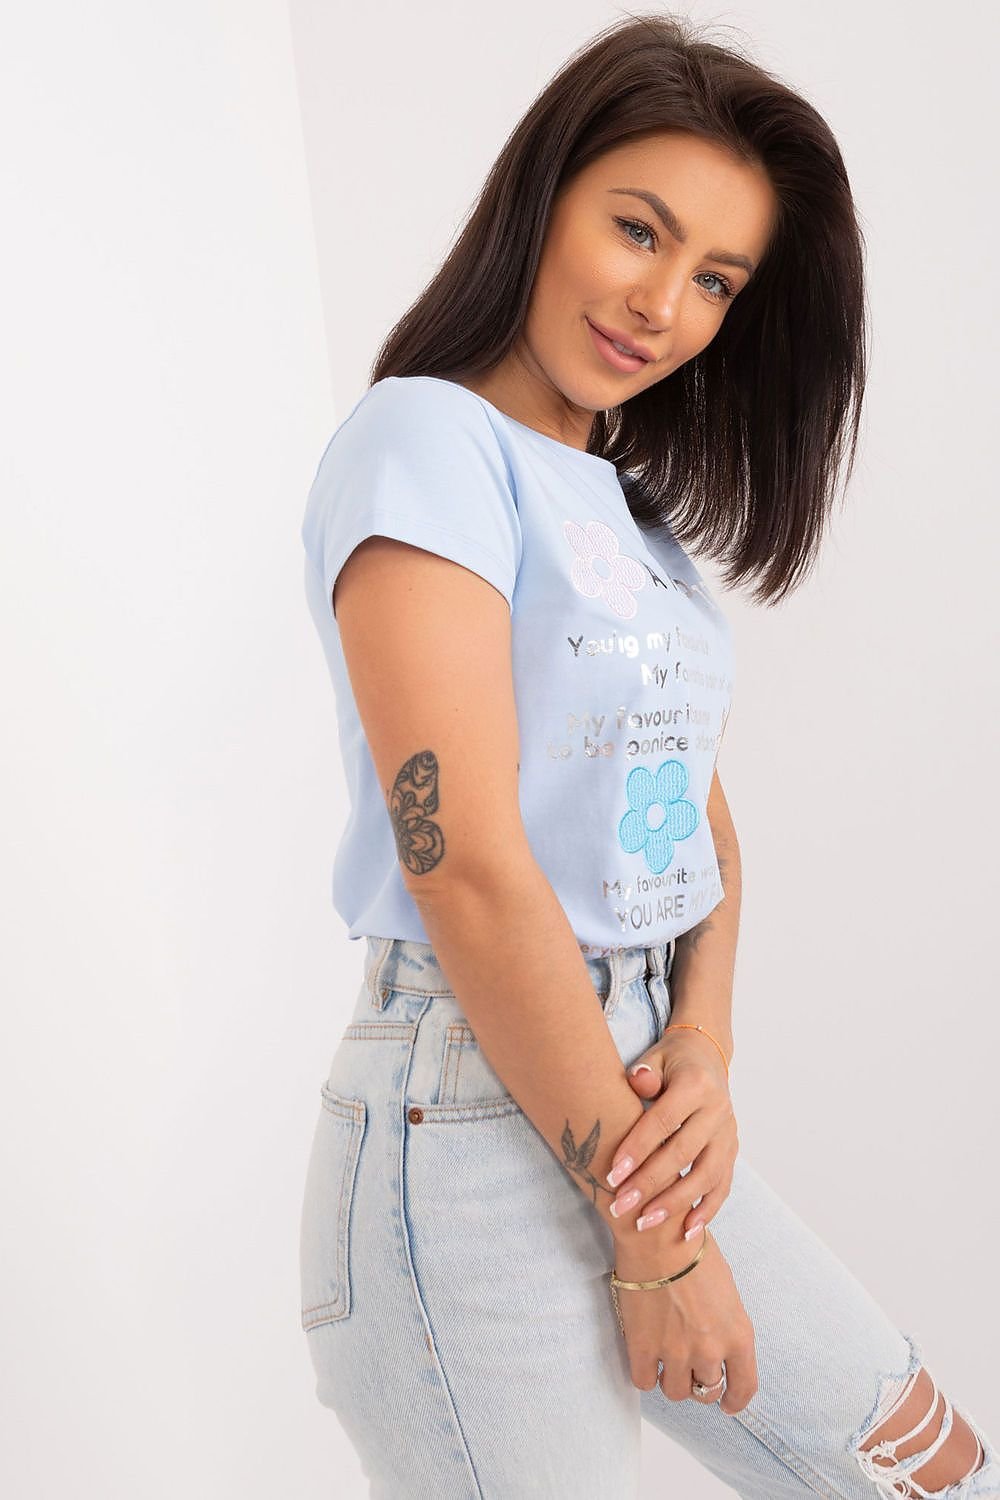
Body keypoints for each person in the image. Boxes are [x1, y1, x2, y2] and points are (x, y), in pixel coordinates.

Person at [296, 14, 997, 1498]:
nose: (664, 304)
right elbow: (465, 865)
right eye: (638, 229)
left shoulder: (625, 517)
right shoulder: (426, 444)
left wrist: (702, 1047)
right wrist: (658, 1245)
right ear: (543, 198)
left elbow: (701, 823)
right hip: (465, 1117)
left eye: (718, 278)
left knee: (927, 1466)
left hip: (632, 1094)